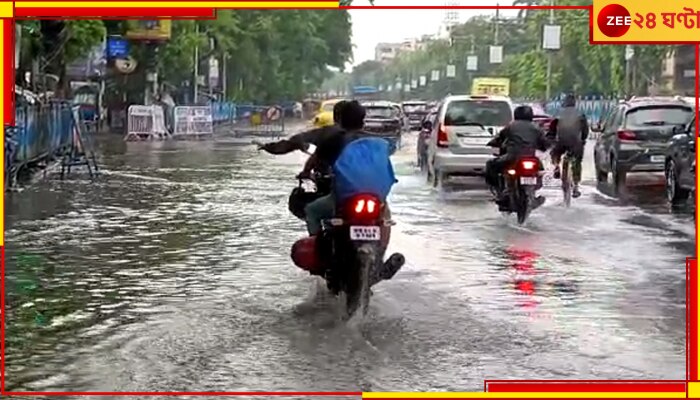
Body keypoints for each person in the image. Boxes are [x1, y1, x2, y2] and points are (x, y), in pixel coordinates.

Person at [298, 100, 371, 235]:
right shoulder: (373, 140)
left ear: (341, 119)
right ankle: (381, 248)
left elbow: (315, 159)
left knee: (311, 211)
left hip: (344, 196)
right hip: (374, 195)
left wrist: (305, 172)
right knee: (384, 216)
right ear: (363, 120)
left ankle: (318, 246)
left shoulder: (334, 139)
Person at [484, 105, 548, 210]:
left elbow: (499, 139)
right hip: (532, 159)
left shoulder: (511, 126)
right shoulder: (537, 128)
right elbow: (545, 145)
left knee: (490, 165)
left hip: (512, 157)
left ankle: (499, 193)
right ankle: (533, 194)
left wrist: (493, 143)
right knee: (540, 171)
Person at [258, 100, 348, 158]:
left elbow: (293, 142)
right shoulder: (361, 136)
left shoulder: (325, 132)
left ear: (335, 116)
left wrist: (268, 147)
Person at [549, 94, 588, 198]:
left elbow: (552, 128)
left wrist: (552, 138)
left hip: (561, 142)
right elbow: (585, 130)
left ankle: (556, 166)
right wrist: (583, 139)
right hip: (575, 143)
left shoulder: (558, 113)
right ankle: (575, 186)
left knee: (554, 152)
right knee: (577, 161)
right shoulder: (581, 114)